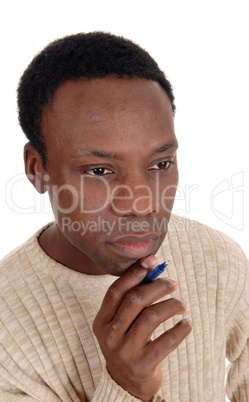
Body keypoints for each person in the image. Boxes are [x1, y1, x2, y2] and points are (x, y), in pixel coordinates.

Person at [0, 32, 248, 402]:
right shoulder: (6, 335)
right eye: (99, 171)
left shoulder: (217, 259)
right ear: (37, 169)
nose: (143, 204)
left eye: (160, 164)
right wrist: (127, 387)